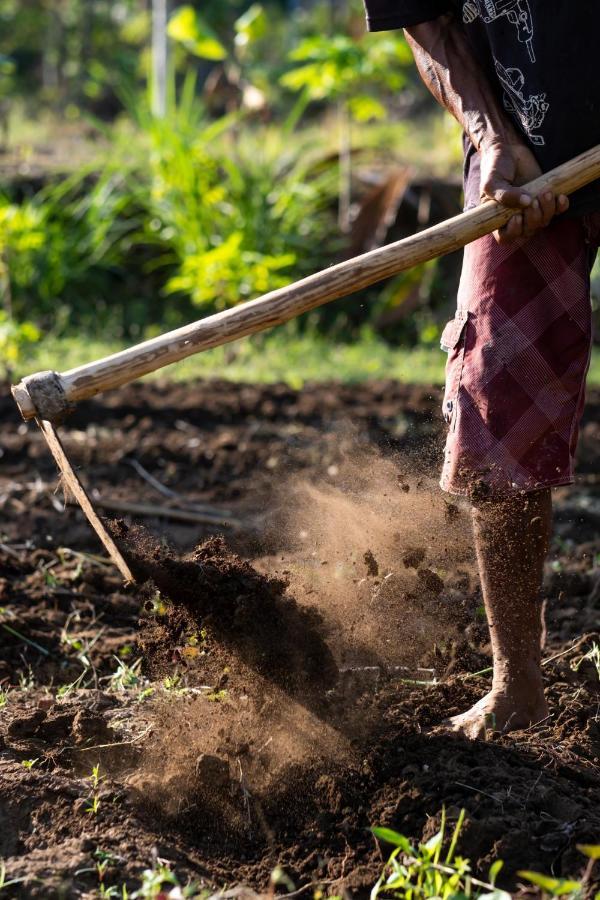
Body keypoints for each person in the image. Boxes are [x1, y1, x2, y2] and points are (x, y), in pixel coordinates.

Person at [361, 0, 600, 738]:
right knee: (500, 388)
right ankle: (516, 689)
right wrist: (493, 136)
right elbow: (424, 16)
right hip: (529, 158)